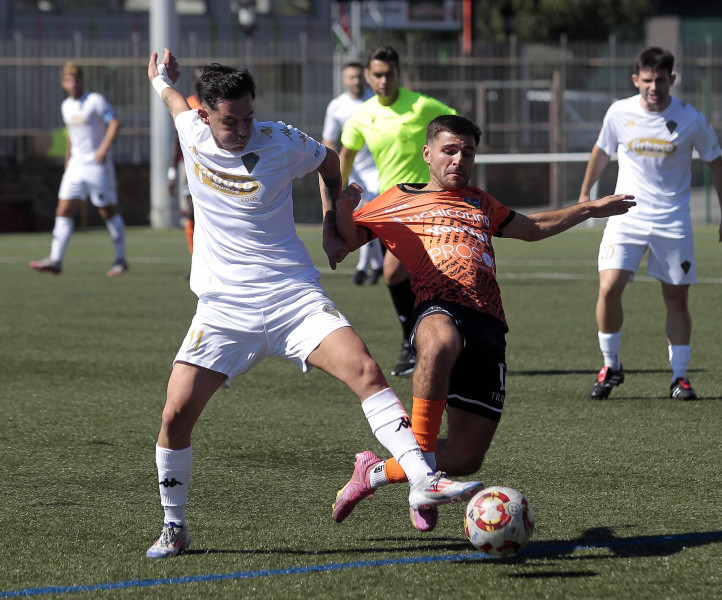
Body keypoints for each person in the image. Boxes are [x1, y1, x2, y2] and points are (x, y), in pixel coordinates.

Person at [144, 50, 482, 559]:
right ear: (205, 115)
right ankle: (175, 527)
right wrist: (161, 80)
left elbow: (329, 161)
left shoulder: (278, 140)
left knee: (367, 370)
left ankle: (423, 478)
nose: (241, 129)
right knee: (174, 416)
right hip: (222, 309)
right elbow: (171, 98)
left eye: (247, 117)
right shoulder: (190, 130)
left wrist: (330, 219)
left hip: (292, 296)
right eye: (229, 121)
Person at [331, 114, 635, 531]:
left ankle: (374, 472)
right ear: (428, 154)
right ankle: (426, 480)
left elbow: (532, 228)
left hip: (489, 325)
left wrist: (590, 209)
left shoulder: (481, 202)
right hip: (437, 304)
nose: (459, 159)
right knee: (438, 345)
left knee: (466, 457)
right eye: (449, 150)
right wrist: (341, 210)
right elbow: (344, 243)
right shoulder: (397, 199)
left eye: (467, 152)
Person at [578, 47, 722, 402]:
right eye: (647, 80)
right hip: (625, 214)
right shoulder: (619, 113)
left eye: (661, 80)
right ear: (636, 79)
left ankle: (679, 378)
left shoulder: (691, 119)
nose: (654, 87)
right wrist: (584, 193)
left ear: (672, 80)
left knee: (676, 297)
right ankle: (611, 365)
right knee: (608, 288)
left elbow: (716, 163)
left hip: (672, 220)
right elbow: (602, 150)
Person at [339, 46, 457, 377]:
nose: (383, 80)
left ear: (398, 73)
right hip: (392, 205)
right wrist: (337, 195)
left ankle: (417, 343)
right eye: (377, 74)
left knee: (398, 272)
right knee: (399, 275)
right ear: (367, 76)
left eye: (389, 73)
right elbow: (346, 154)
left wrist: (451, 166)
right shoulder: (363, 115)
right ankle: (416, 340)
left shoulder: (422, 106)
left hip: (431, 202)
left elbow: (457, 126)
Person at [30, 61, 128, 277]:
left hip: (96, 165)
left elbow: (114, 123)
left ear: (82, 80)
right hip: (75, 166)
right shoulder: (66, 106)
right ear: (63, 83)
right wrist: (67, 160)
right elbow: (71, 137)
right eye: (69, 80)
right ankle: (55, 260)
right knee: (63, 210)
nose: (73, 83)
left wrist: (103, 149)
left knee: (106, 211)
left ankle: (120, 259)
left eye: (77, 79)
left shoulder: (95, 100)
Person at [322, 61, 383, 286]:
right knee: (363, 219)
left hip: (380, 170)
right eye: (351, 77)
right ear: (344, 80)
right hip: (355, 172)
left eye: (359, 77)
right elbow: (329, 139)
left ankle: (364, 268)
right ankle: (375, 266)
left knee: (369, 218)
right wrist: (335, 167)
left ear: (365, 77)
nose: (356, 81)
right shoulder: (337, 106)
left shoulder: (376, 101)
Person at [168, 71, 202, 257]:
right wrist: (172, 172)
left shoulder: (217, 106)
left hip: (213, 168)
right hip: (190, 169)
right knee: (192, 215)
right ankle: (196, 260)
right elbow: (177, 140)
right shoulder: (187, 104)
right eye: (198, 81)